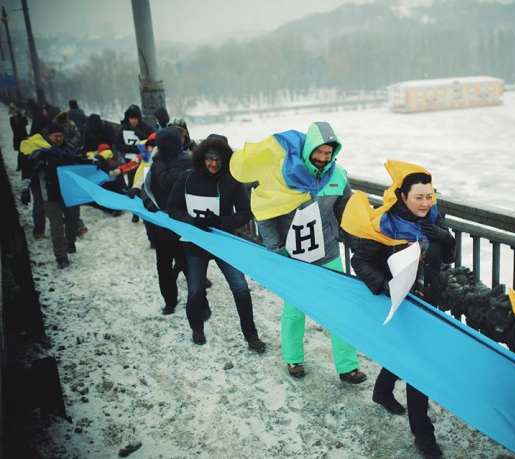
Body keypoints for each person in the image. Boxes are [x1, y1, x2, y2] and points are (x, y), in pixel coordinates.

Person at [230, 121, 366, 384]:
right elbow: (264, 213)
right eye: (320, 152)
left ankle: (348, 367)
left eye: (329, 153)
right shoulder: (284, 175)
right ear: (309, 149)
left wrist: (357, 245)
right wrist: (275, 248)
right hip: (295, 257)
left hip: (328, 253)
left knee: (340, 310)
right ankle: (293, 359)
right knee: (294, 310)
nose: (324, 158)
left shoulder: (338, 176)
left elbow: (346, 213)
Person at [344, 160, 457, 458]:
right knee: (417, 368)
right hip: (401, 302)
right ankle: (424, 435)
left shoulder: (433, 216)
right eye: (418, 197)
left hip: (429, 300)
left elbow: (448, 257)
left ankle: (382, 391)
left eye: (429, 196)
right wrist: (384, 286)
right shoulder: (386, 224)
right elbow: (360, 261)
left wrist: (443, 235)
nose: (425, 203)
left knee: (407, 356)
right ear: (402, 196)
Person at [168, 134, 266, 351]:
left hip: (225, 243)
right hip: (195, 244)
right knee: (195, 290)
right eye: (209, 159)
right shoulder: (187, 178)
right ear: (201, 157)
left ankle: (251, 337)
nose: (213, 164)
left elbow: (245, 213)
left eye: (219, 160)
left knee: (240, 287)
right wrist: (191, 220)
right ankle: (197, 328)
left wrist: (221, 222)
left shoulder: (232, 181)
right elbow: (172, 209)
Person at [19, 123, 92, 268]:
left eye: (60, 135)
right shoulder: (41, 153)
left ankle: (70, 242)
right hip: (51, 196)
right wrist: (25, 189)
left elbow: (80, 161)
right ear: (49, 136)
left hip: (70, 194)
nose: (58, 138)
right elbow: (28, 171)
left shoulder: (69, 150)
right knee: (56, 226)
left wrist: (95, 162)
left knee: (72, 222)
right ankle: (61, 256)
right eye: (55, 136)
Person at [139, 127, 192, 314]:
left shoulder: (185, 161)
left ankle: (200, 303)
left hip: (180, 225)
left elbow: (166, 182)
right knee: (163, 267)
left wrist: (158, 161)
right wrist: (147, 202)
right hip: (161, 226)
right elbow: (147, 186)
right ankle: (170, 300)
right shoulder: (159, 162)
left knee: (187, 266)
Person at [115, 104, 155, 189]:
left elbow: (152, 140)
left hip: (143, 160)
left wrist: (141, 135)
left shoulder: (146, 128)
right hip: (129, 159)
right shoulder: (123, 129)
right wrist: (130, 149)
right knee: (131, 180)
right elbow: (118, 144)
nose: (133, 121)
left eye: (135, 118)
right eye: (131, 119)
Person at [9, 102, 29, 171]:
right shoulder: (12, 119)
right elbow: (15, 127)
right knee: (21, 153)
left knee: (24, 152)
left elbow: (26, 123)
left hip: (23, 136)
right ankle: (20, 166)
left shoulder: (20, 116)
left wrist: (23, 116)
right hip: (18, 137)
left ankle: (23, 165)